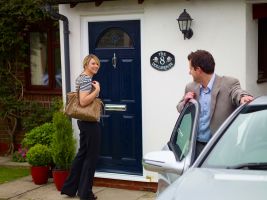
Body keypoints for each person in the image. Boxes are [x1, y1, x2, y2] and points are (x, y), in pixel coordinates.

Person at [177, 50, 253, 159]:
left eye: (190, 69)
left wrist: (243, 97)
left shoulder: (229, 83)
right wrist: (185, 102)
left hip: (221, 149)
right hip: (196, 147)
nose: (189, 72)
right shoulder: (190, 87)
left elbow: (237, 92)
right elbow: (179, 108)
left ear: (198, 70)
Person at [61, 54, 101, 200]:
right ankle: (85, 193)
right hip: (89, 123)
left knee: (82, 155)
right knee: (91, 157)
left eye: (97, 64)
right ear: (86, 64)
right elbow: (83, 102)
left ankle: (70, 188)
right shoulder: (86, 79)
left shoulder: (81, 77)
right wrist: (96, 91)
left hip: (83, 122)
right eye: (93, 64)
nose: (96, 66)